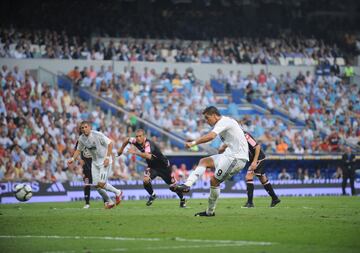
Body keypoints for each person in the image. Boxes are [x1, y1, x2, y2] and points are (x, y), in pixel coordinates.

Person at [171, 106, 249, 216]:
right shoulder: (227, 121)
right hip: (229, 154)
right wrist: (225, 146)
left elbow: (211, 136)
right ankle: (187, 185)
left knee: (214, 181)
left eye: (207, 118)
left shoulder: (223, 121)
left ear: (214, 115)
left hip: (236, 158)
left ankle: (210, 212)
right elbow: (237, 137)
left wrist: (193, 143)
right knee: (204, 161)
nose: (207, 121)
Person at [117, 129, 186, 207]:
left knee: (173, 187)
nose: (138, 138)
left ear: (144, 136)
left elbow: (148, 156)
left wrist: (135, 152)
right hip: (153, 167)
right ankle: (152, 195)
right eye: (137, 136)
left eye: (140, 136)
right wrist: (121, 149)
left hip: (164, 167)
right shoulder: (135, 141)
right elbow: (127, 139)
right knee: (146, 180)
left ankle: (182, 199)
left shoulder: (148, 144)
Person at [67, 121, 123, 209]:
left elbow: (110, 143)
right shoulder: (81, 139)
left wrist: (107, 158)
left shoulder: (97, 135)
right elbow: (78, 150)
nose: (84, 129)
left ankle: (118, 192)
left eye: (86, 127)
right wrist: (73, 159)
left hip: (104, 161)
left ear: (90, 127)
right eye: (82, 128)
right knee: (97, 186)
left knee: (101, 183)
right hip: (95, 162)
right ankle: (110, 201)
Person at [240, 131, 280, 208]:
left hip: (258, 159)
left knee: (248, 176)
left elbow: (257, 147)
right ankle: (275, 198)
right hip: (255, 159)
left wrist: (255, 161)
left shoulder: (245, 135)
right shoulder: (237, 136)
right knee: (263, 179)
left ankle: (250, 203)